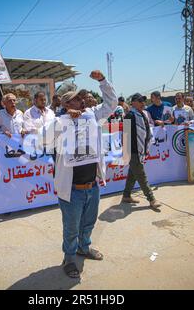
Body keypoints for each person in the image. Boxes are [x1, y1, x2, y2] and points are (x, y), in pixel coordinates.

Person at [43, 70, 117, 279]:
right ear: (68, 105)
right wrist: (63, 118)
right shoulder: (59, 122)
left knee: (88, 223)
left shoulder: (92, 115)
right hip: (72, 189)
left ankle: (84, 248)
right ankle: (69, 258)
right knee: (71, 227)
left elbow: (111, 103)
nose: (82, 100)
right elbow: (44, 139)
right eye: (77, 99)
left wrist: (102, 81)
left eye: (81, 98)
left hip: (91, 186)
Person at [121, 93, 161, 210]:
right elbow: (125, 135)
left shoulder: (142, 114)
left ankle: (126, 196)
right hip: (133, 151)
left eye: (143, 101)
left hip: (140, 149)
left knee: (133, 174)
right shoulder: (129, 115)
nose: (143, 103)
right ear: (133, 102)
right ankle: (151, 199)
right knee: (141, 175)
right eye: (140, 101)